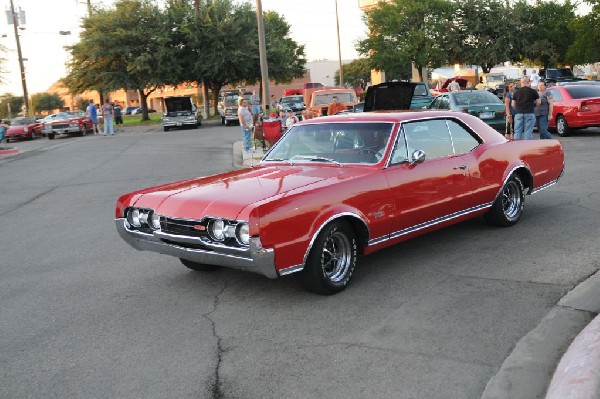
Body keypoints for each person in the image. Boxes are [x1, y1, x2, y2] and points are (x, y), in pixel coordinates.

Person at [511, 76, 541, 140]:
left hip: (518, 113)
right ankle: (527, 147)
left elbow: (513, 104)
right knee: (528, 131)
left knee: (517, 131)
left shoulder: (516, 92)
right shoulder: (533, 91)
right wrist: (533, 106)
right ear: (528, 82)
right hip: (529, 112)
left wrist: (518, 108)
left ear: (521, 83)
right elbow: (539, 102)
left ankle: (517, 146)